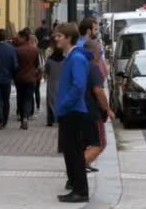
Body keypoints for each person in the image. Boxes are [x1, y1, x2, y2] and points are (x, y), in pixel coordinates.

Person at [54, 23, 90, 203]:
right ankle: (76, 188)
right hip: (70, 112)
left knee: (74, 153)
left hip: (73, 112)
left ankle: (81, 191)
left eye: (59, 36)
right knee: (70, 152)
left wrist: (63, 106)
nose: (56, 38)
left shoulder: (76, 58)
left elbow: (78, 86)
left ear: (68, 38)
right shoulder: (72, 57)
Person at [81, 40, 115, 173]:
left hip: (79, 110)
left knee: (84, 143)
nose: (100, 55)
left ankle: (82, 165)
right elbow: (98, 90)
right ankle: (78, 168)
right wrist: (108, 109)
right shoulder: (93, 67)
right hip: (93, 111)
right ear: (93, 52)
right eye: (99, 52)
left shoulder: (80, 65)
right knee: (99, 143)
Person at [14, 30, 39, 130]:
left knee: (20, 98)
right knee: (28, 98)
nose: (17, 38)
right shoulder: (34, 50)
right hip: (31, 78)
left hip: (19, 78)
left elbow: (14, 65)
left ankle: (21, 116)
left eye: (19, 37)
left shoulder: (17, 50)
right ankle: (25, 118)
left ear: (24, 38)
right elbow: (36, 64)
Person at [44, 36, 64, 127]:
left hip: (52, 82)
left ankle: (50, 120)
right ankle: (60, 119)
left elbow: (46, 71)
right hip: (62, 83)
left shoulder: (49, 60)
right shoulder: (65, 60)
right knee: (61, 101)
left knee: (50, 101)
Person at [29, 35, 45, 116]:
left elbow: (41, 65)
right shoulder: (38, 51)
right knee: (35, 91)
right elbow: (42, 64)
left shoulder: (37, 51)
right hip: (34, 74)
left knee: (35, 91)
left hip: (35, 74)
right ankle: (36, 108)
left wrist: (41, 74)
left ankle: (36, 107)